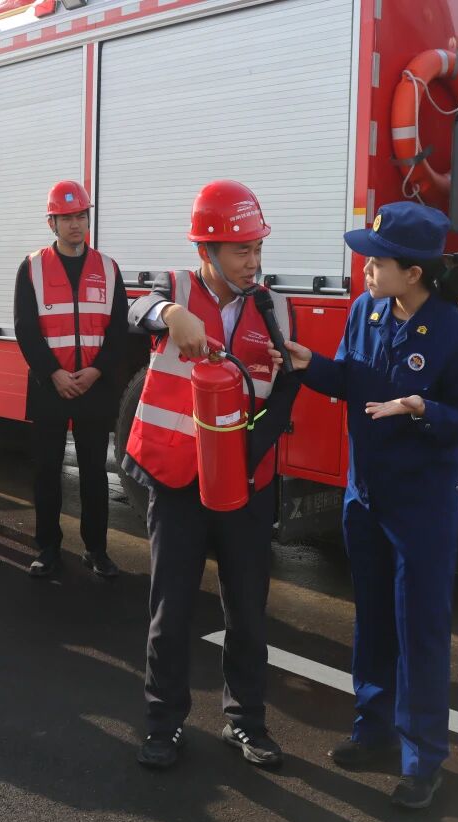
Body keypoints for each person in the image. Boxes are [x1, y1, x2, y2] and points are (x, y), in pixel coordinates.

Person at [277, 201, 458, 808]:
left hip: (420, 506)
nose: (365, 269)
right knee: (371, 618)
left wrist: (423, 409)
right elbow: (350, 378)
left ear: (414, 272)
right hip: (364, 495)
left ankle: (423, 760)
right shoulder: (365, 311)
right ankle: (372, 731)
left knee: (419, 630)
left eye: (376, 262)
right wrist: (310, 365)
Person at [124, 180, 300, 770]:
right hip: (177, 481)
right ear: (207, 250)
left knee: (247, 612)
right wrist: (170, 315)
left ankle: (246, 721)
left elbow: (283, 394)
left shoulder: (274, 308)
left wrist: (246, 460)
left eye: (257, 248)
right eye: (241, 250)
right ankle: (162, 724)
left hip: (245, 485)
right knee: (170, 611)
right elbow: (136, 310)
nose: (253, 261)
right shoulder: (174, 291)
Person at [13, 181, 127, 578]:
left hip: (95, 386)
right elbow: (25, 329)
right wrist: (54, 373)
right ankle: (47, 548)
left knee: (95, 473)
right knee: (47, 471)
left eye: (81, 215)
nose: (75, 224)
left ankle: (96, 550)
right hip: (50, 387)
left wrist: (96, 371)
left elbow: (118, 332)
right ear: (52, 223)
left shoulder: (108, 268)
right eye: (66, 218)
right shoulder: (32, 267)